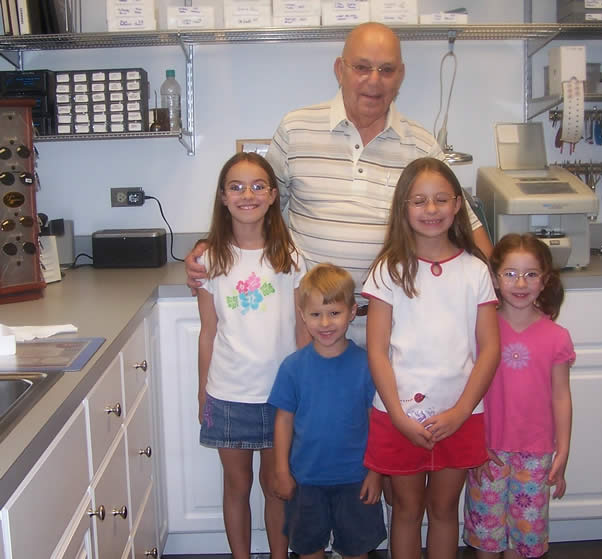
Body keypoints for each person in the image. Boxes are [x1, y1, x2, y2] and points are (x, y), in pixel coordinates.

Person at [185, 22, 493, 346]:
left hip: (394, 326)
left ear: (400, 76)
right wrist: (211, 246)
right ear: (339, 70)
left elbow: (465, 225)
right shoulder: (296, 129)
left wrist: (498, 283)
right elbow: (255, 205)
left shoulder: (421, 145)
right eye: (362, 67)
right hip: (312, 326)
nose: (374, 80)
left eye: (386, 70)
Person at [362, 157, 501, 559]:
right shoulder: (388, 269)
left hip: (460, 414)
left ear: (458, 205)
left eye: (441, 199)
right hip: (399, 414)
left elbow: (490, 349)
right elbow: (377, 351)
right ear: (403, 207)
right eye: (419, 200)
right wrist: (398, 416)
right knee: (406, 510)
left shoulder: (476, 270)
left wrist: (460, 412)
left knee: (444, 510)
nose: (431, 209)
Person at [196, 152, 309, 559]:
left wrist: (306, 389)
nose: (248, 195)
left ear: (274, 195)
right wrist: (202, 392)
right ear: (223, 197)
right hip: (228, 394)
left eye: (259, 186)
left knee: (277, 486)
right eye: (237, 187)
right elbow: (208, 332)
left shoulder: (289, 256)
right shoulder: (209, 260)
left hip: (281, 397)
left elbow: (302, 329)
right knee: (236, 486)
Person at [463, 233, 575, 559]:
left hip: (536, 454)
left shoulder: (556, 337)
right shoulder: (482, 330)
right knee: (486, 537)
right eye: (510, 273)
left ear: (545, 280)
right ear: (495, 278)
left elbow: (561, 397)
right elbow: (467, 390)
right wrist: (474, 442)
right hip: (488, 449)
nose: (521, 283)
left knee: (524, 539)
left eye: (531, 274)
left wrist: (563, 450)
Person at [268, 262, 387, 559]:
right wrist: (281, 470)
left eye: (334, 313)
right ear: (302, 315)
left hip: (356, 479)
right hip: (306, 479)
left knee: (357, 549)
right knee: (308, 548)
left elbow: (376, 422)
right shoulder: (293, 368)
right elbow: (283, 421)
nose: (325, 323)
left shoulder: (366, 365)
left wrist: (376, 472)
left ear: (352, 312)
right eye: (315, 314)